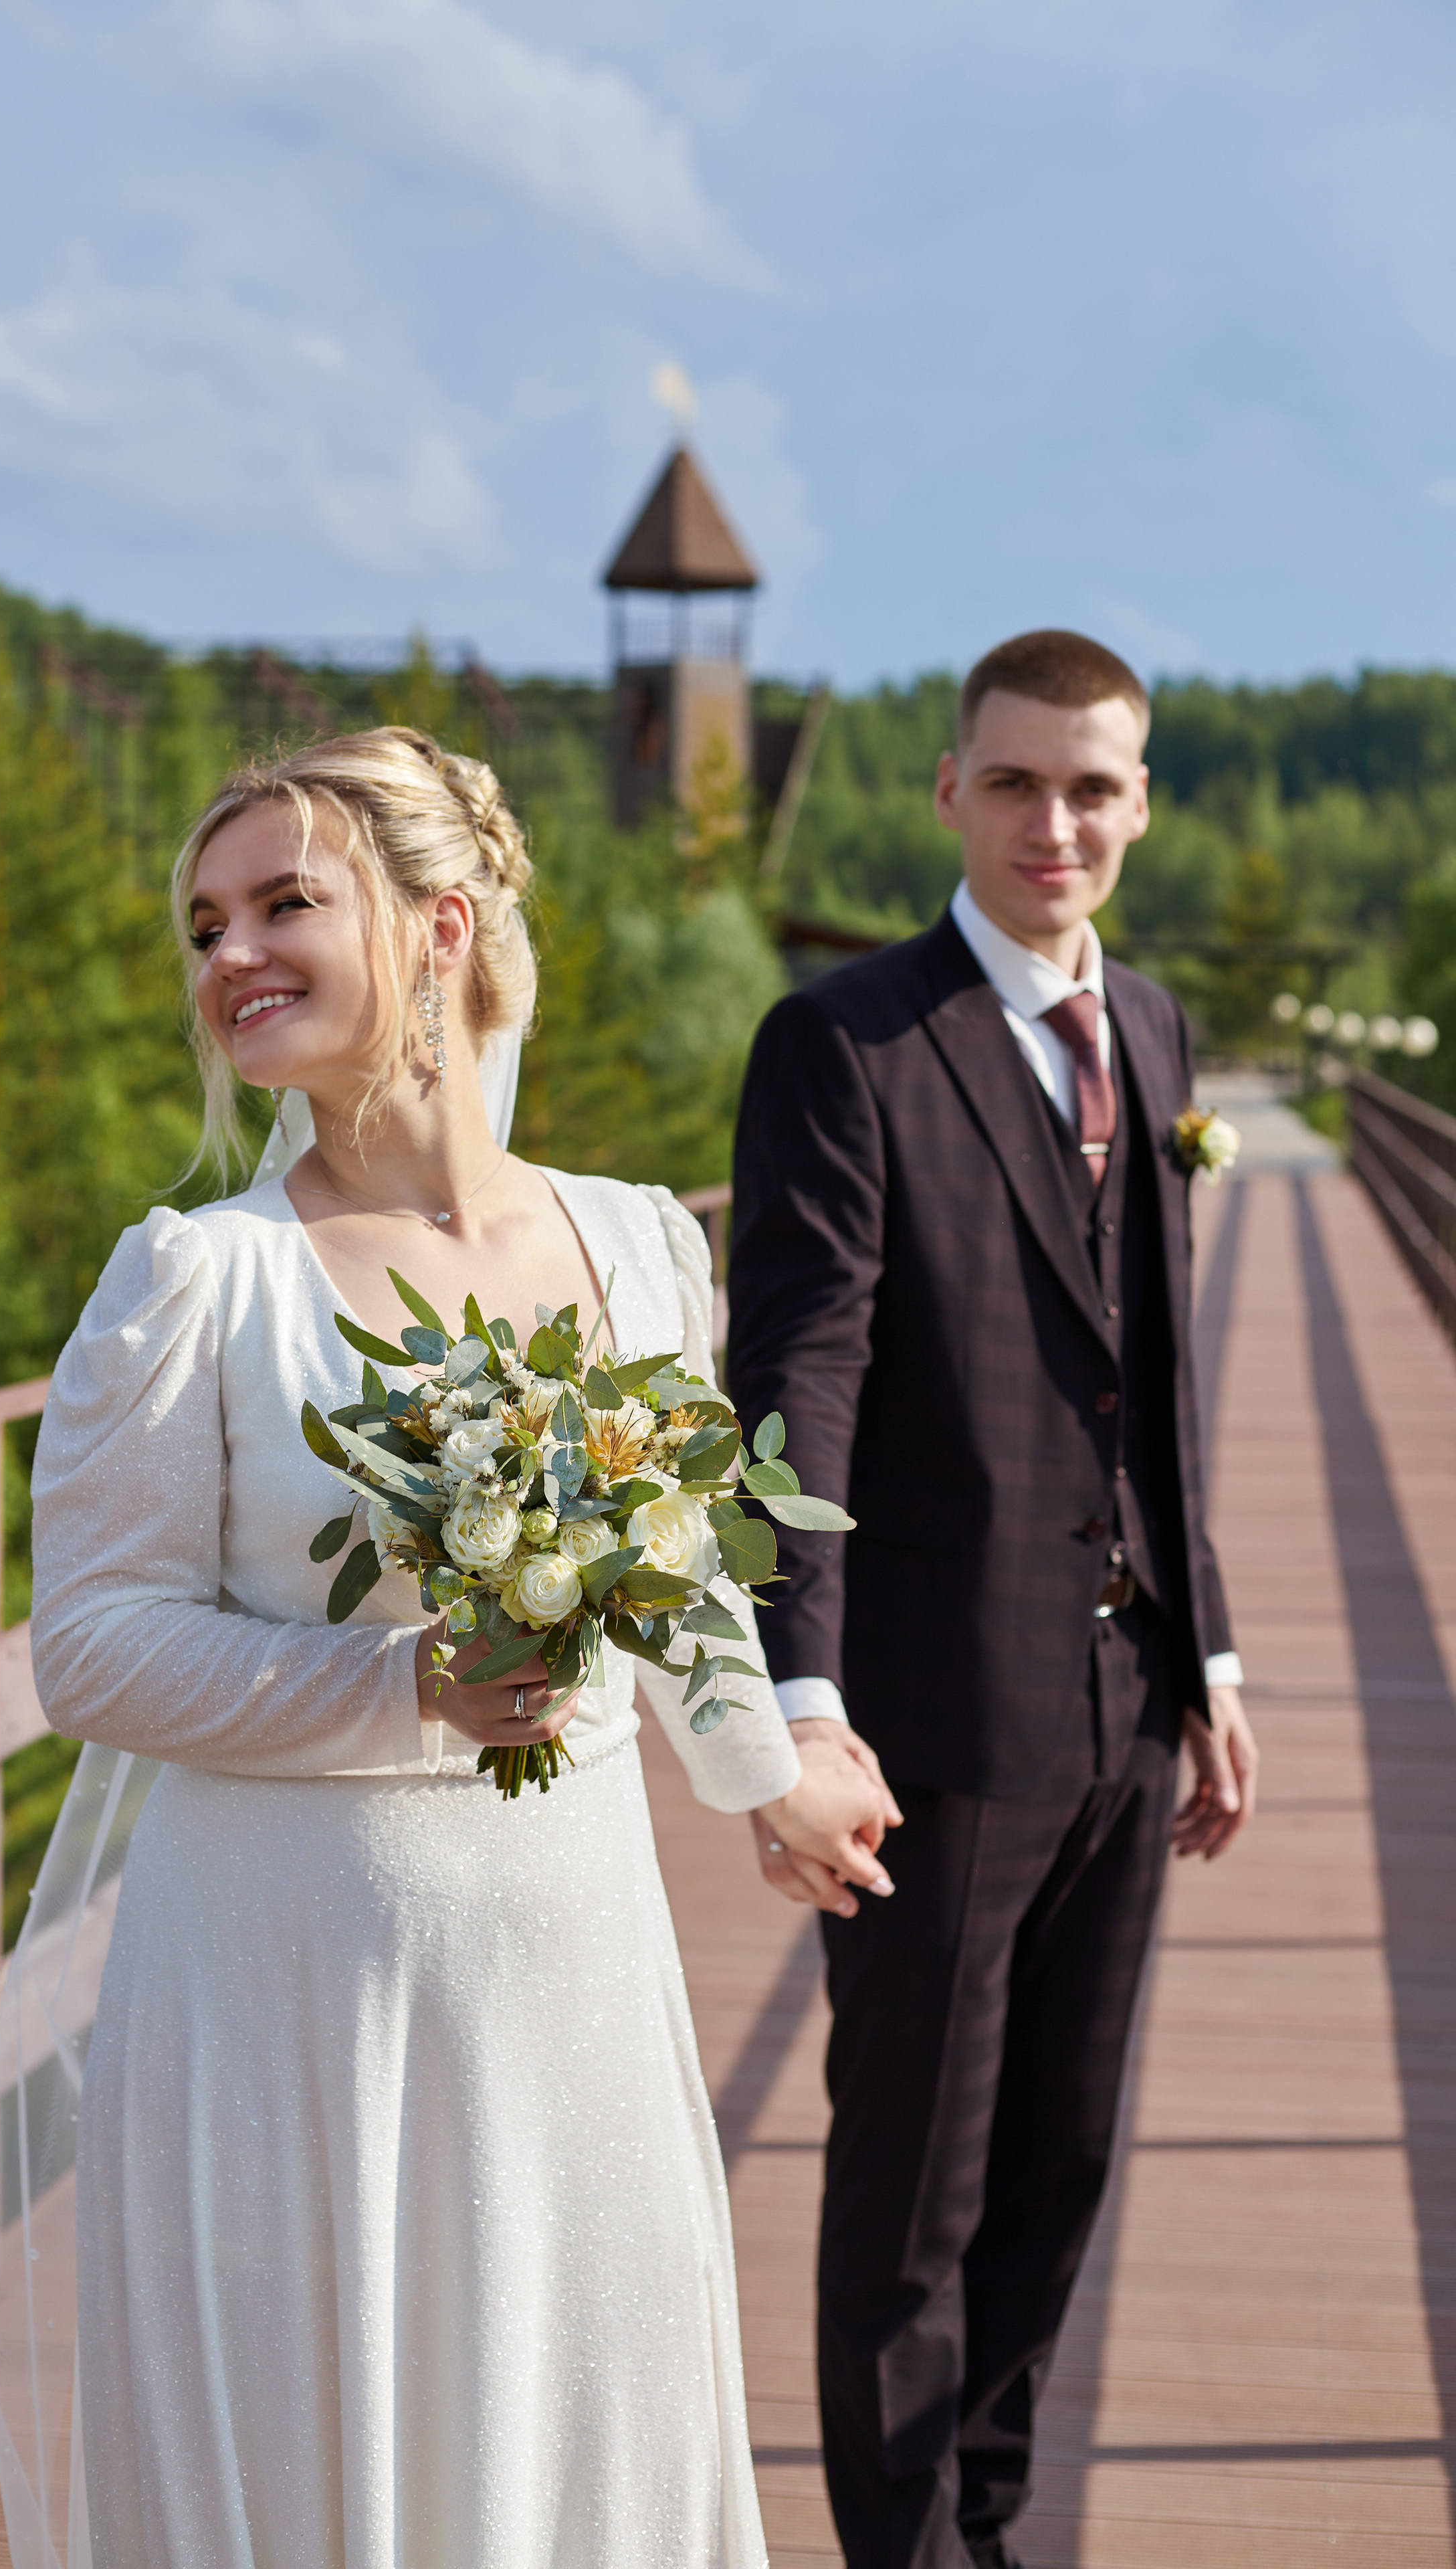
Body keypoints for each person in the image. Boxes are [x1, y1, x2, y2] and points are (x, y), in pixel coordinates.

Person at [0, 727, 892, 2569]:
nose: (231, 952)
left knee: (579, 2435)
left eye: (284, 903)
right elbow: (86, 1649)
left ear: (442, 922)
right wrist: (393, 1685)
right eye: (206, 923)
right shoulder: (197, 1279)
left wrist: (764, 1773)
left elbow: (680, 1570)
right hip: (281, 1995)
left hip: (566, 1971)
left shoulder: (637, 1247)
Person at [724, 632, 1261, 2569]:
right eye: (1019, 783)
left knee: (1060, 2166)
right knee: (912, 2203)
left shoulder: (1162, 1033)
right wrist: (800, 1694)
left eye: (1095, 787)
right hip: (935, 1723)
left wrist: (1203, 1648)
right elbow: (798, 1381)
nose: (1059, 824)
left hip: (1125, 1717)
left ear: (1141, 803)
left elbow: (1158, 1369)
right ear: (949, 790)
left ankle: (996, 2525)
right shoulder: (848, 1043)